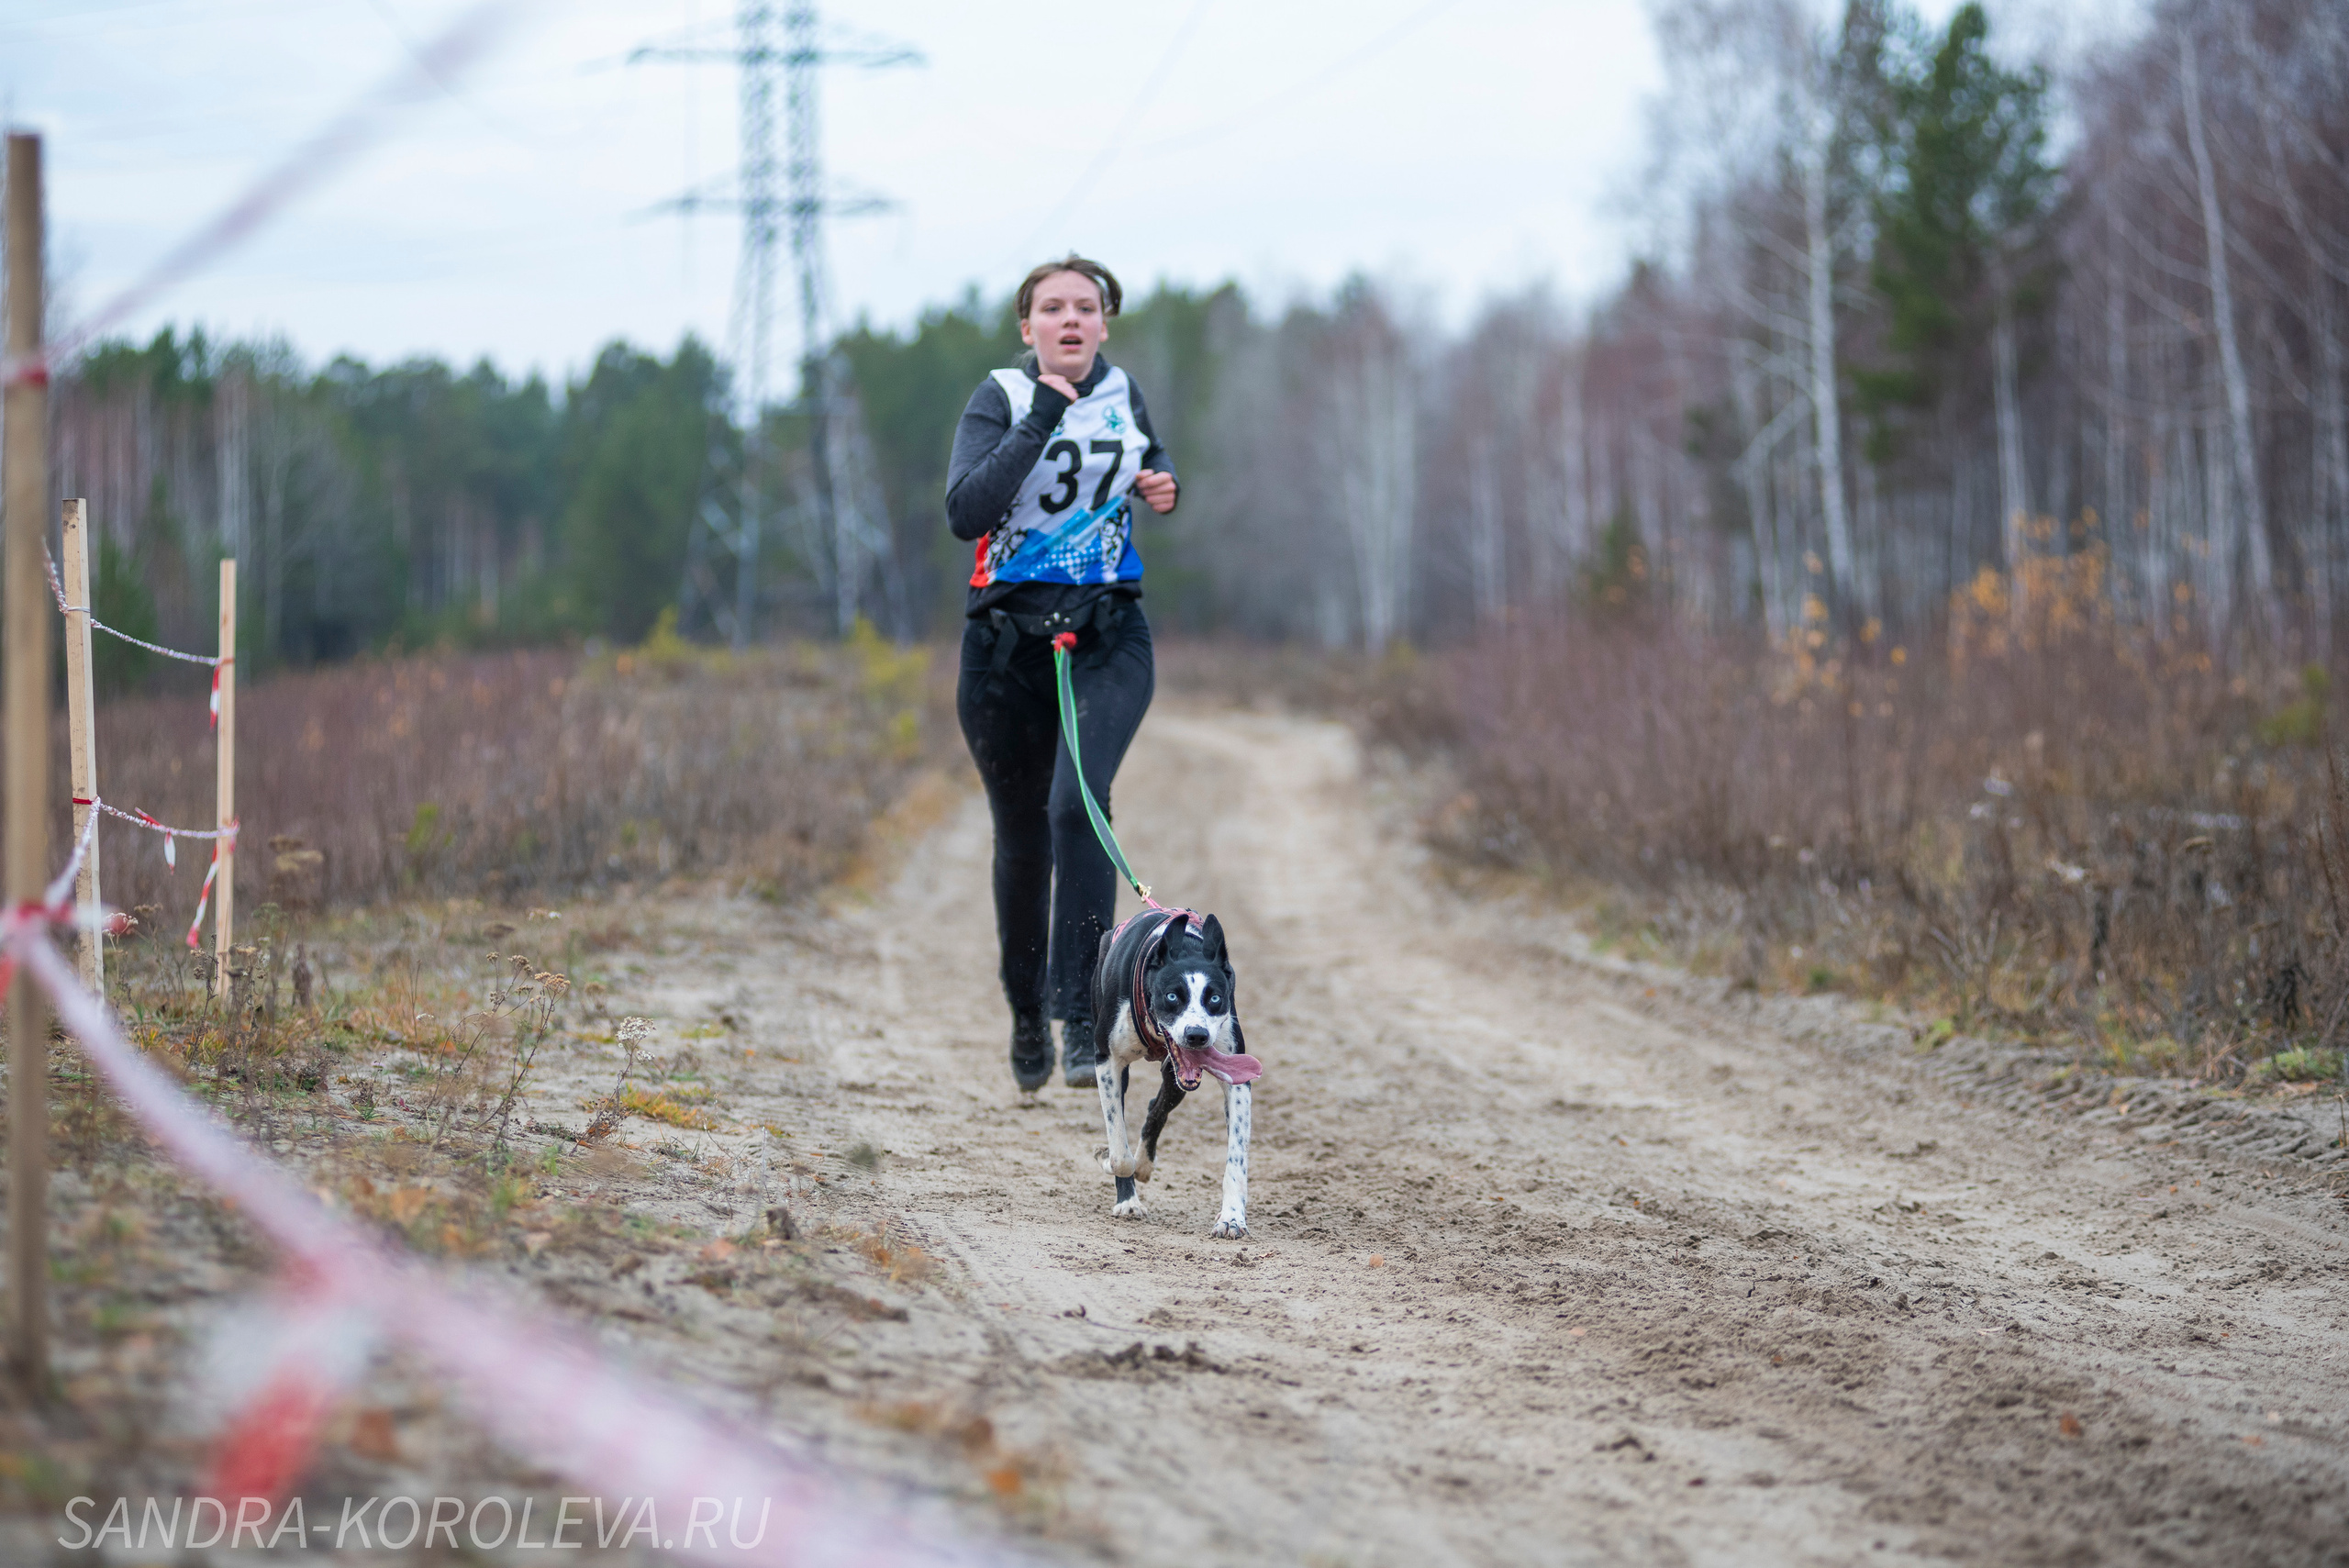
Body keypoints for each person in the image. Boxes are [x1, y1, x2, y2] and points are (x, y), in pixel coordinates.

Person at [945, 255, 1179, 1093]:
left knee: (1078, 796)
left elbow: (1152, 461)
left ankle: (1083, 1014)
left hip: (1109, 633)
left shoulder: (1124, 391)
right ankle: (1024, 1009)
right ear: (1028, 326)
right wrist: (1045, 409)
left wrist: (1163, 486)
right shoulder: (1000, 400)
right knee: (1023, 839)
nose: (1071, 320)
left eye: (1087, 307)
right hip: (1006, 650)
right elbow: (965, 510)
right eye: (1054, 308)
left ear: (1104, 324)